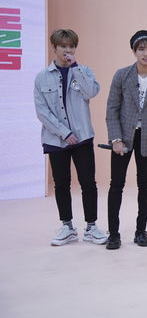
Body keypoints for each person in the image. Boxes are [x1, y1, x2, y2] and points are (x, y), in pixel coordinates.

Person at [34, 29, 108, 246]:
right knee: (61, 184)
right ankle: (67, 226)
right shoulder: (41, 77)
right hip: (56, 139)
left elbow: (91, 92)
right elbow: (41, 111)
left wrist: (75, 67)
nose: (68, 50)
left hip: (83, 137)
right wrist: (64, 133)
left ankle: (91, 227)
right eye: (63, 46)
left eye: (72, 46)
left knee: (88, 182)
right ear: (54, 48)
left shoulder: (84, 71)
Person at [105, 30, 147, 250]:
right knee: (116, 184)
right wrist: (115, 139)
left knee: (145, 185)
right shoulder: (121, 75)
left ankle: (141, 231)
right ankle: (113, 233)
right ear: (134, 51)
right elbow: (112, 109)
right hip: (123, 137)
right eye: (141, 49)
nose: (145, 53)